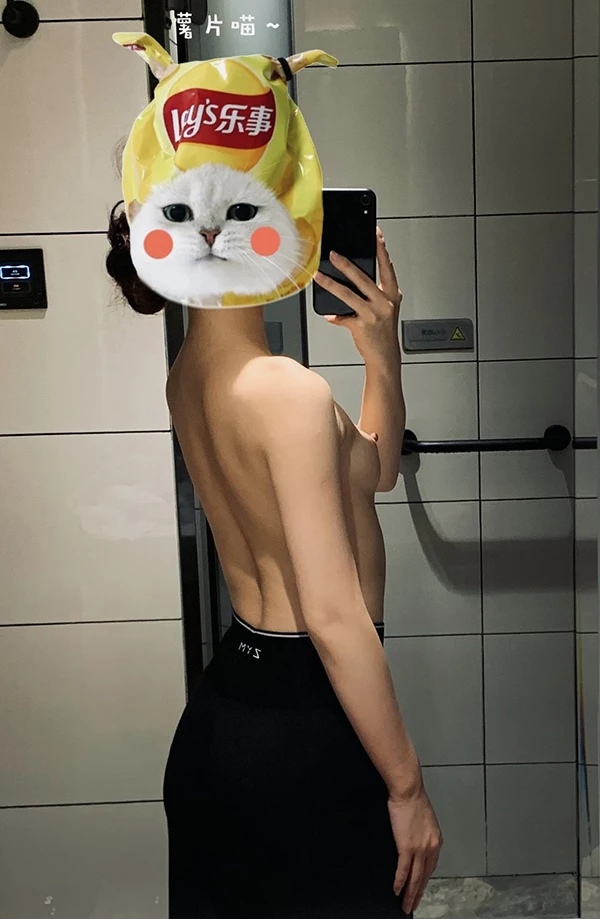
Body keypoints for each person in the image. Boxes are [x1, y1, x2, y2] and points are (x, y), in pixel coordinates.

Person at [106, 210, 442, 918]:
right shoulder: (287, 392)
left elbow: (374, 471)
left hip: (231, 718)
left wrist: (382, 357)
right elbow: (332, 615)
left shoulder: (191, 372)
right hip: (304, 734)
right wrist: (407, 787)